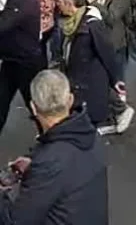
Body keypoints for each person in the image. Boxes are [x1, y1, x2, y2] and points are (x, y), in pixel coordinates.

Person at [0, 69, 107, 225]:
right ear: (70, 100)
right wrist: (33, 163)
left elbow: (15, 220)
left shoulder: (49, 161)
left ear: (34, 108)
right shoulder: (91, 135)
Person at [56, 0, 134, 134]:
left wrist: (117, 81)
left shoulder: (92, 25)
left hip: (89, 85)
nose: (57, 5)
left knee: (84, 128)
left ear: (68, 2)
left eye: (58, 1)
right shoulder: (72, 23)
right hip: (77, 83)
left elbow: (108, 54)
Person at [0, 0, 45, 135]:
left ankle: (50, 134)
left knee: (35, 103)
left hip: (25, 62)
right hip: (12, 59)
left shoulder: (25, 0)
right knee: (2, 100)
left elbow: (4, 23)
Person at [86, 0, 132, 79]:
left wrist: (95, 3)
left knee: (117, 78)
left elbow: (111, 17)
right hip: (102, 39)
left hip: (115, 43)